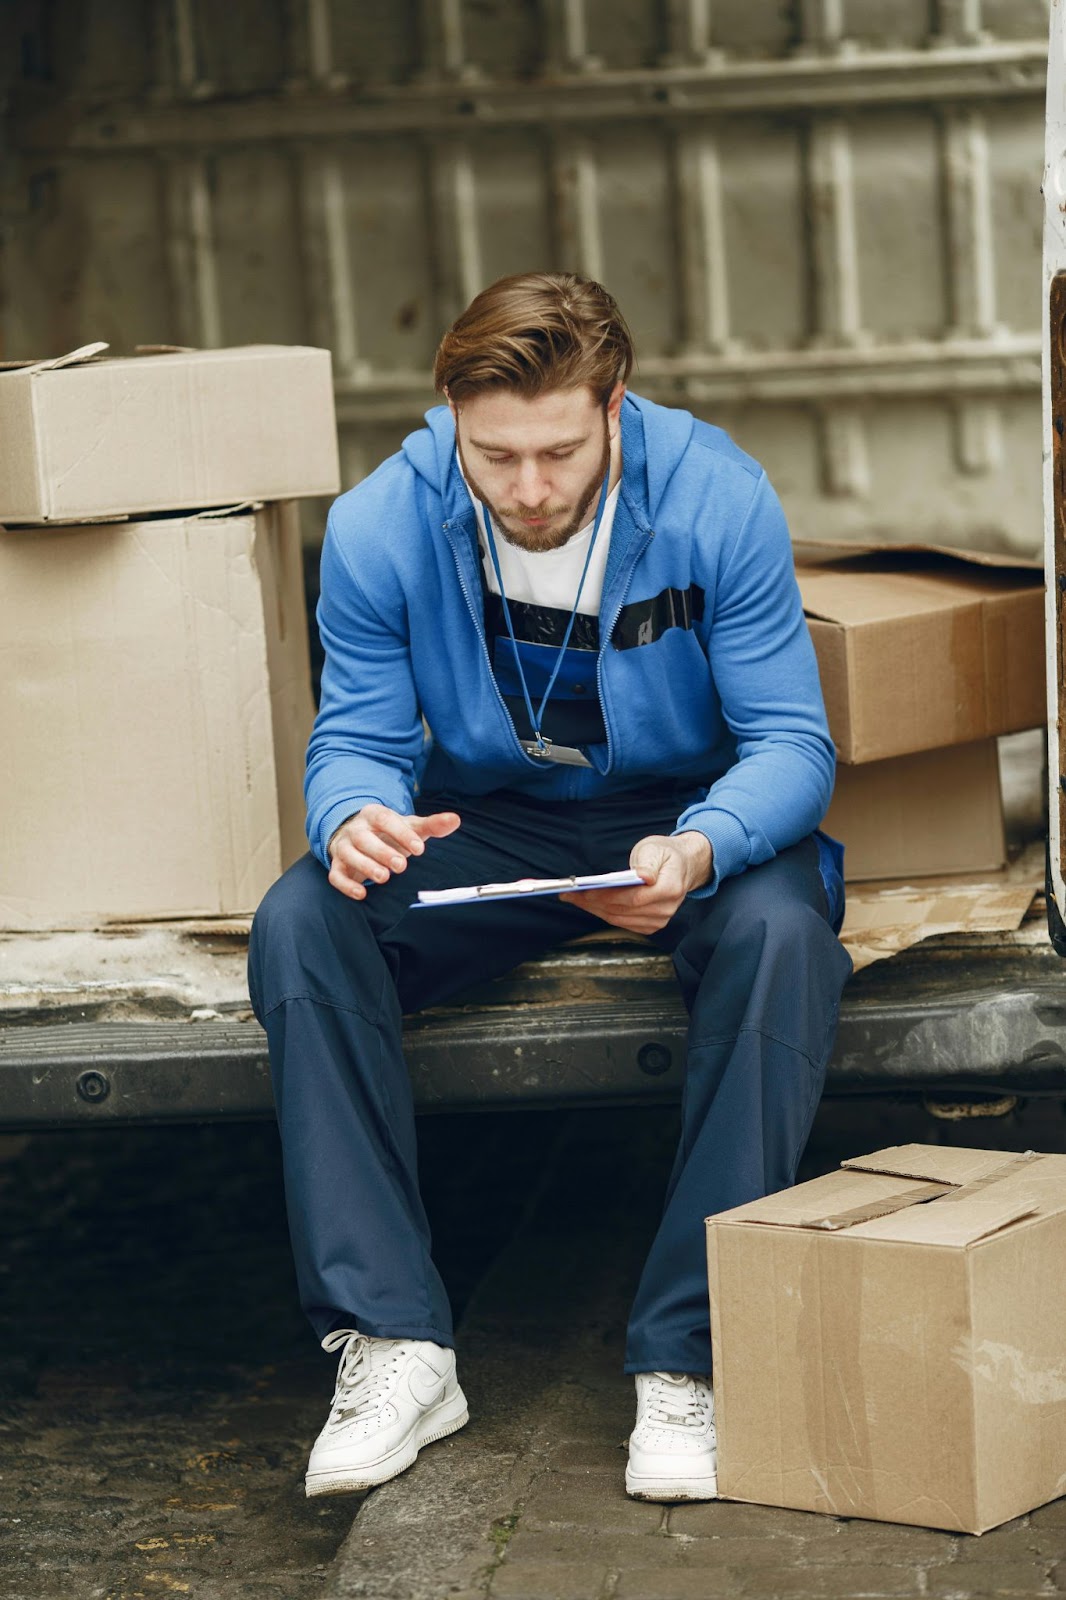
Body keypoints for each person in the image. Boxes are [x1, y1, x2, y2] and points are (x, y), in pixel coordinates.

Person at [248, 271, 852, 1505]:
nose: (527, 489)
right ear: (452, 419)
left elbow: (792, 742)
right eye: (494, 455)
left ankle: (691, 1353)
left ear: (614, 409)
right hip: (495, 822)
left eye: (558, 453)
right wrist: (349, 814)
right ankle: (396, 1342)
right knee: (304, 915)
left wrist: (700, 847)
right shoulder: (381, 522)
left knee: (786, 933)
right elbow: (355, 732)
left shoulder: (714, 495)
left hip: (684, 817)